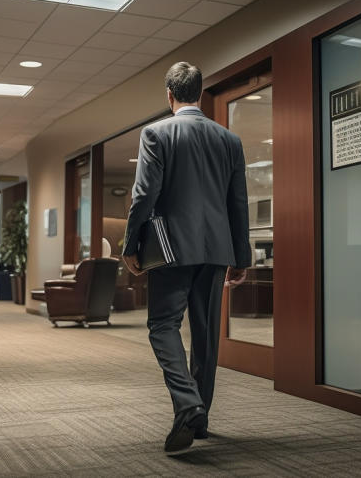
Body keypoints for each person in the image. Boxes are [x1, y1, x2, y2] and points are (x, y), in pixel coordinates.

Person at [122, 61, 252, 453]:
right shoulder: (229, 140)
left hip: (171, 248)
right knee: (206, 333)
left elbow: (144, 194)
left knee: (163, 325)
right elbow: (238, 203)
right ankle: (200, 420)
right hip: (216, 250)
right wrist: (241, 256)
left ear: (169, 95)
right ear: (199, 93)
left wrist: (131, 245)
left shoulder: (156, 133)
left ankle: (187, 403)